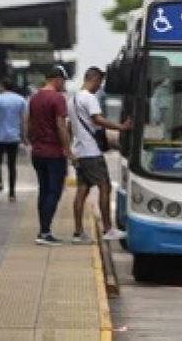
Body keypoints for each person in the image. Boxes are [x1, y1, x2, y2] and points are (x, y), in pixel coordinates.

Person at [69, 67, 132, 243]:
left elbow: (69, 127)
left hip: (80, 151)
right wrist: (122, 127)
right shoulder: (89, 98)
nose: (99, 87)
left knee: (82, 190)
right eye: (100, 83)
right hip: (91, 152)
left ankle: (78, 232)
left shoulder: (72, 99)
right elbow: (98, 120)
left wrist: (70, 151)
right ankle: (108, 229)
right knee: (105, 186)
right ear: (94, 79)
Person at [28, 66, 72, 246]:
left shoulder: (34, 98)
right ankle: (45, 233)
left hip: (38, 152)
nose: (64, 85)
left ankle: (43, 229)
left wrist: (32, 142)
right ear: (57, 79)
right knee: (53, 192)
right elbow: (61, 125)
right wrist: (67, 149)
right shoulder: (57, 98)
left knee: (44, 191)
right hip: (54, 153)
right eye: (64, 81)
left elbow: (29, 124)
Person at [0, 79, 28, 202]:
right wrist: (24, 136)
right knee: (12, 165)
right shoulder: (20, 100)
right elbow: (24, 120)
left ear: (2, 86)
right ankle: (12, 193)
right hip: (14, 137)